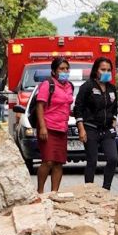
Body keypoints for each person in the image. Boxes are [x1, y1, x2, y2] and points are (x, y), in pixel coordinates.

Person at [73, 57, 118, 190]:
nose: (106, 72)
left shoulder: (111, 88)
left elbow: (115, 107)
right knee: (92, 160)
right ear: (96, 70)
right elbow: (78, 109)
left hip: (106, 130)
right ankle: (89, 190)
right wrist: (81, 129)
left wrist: (114, 121)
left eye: (109, 70)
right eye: (103, 69)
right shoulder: (87, 87)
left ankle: (106, 189)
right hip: (90, 128)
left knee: (113, 159)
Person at [35, 57, 74, 193]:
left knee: (58, 163)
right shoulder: (48, 84)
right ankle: (40, 192)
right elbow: (40, 106)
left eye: (67, 69)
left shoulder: (69, 86)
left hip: (62, 129)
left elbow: (66, 106)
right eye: (61, 69)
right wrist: (43, 127)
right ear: (53, 71)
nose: (65, 71)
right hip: (48, 127)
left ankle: (54, 193)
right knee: (48, 161)